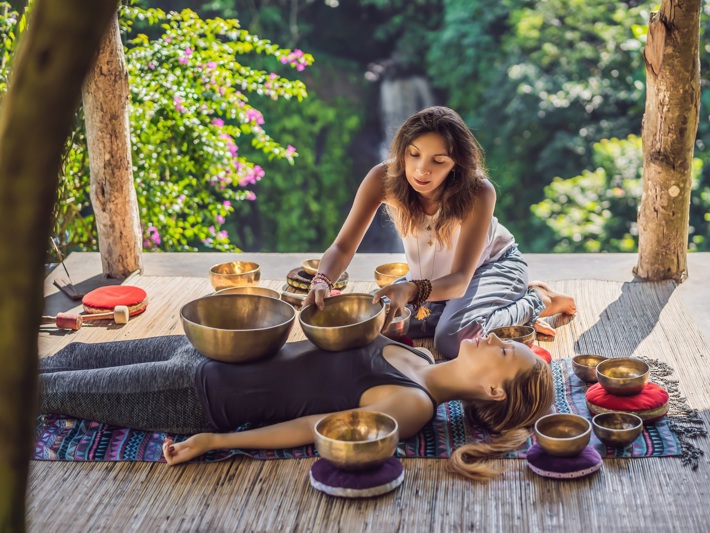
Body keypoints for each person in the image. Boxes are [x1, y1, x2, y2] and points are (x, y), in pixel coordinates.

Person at [39, 332, 554, 480]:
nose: (493, 339)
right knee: (72, 356)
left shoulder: (414, 405)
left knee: (46, 392)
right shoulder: (418, 352)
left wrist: (219, 441)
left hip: (198, 394)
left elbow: (314, 427)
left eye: (504, 351)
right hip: (210, 347)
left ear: (495, 392)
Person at [302, 106, 575, 359]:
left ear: (456, 163)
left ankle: (538, 299)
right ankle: (470, 312)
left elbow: (459, 281)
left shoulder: (478, 192)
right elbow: (342, 247)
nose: (422, 169)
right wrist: (322, 281)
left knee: (454, 339)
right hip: (429, 280)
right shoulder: (382, 179)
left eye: (439, 160)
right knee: (378, 324)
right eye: (414, 154)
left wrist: (409, 290)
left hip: (492, 267)